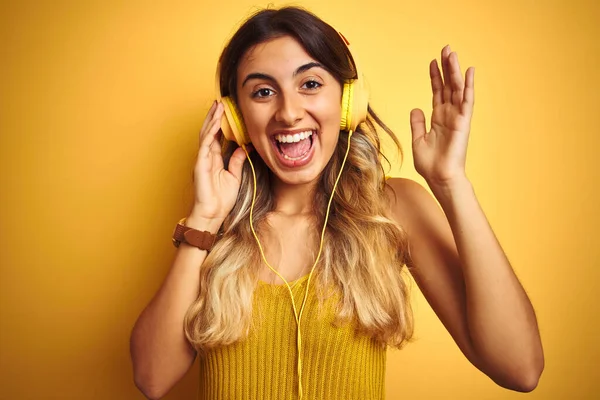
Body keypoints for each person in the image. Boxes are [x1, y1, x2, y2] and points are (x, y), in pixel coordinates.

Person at [130, 6, 544, 400]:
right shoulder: (214, 226)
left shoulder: (393, 209)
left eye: (310, 84)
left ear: (348, 102)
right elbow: (152, 378)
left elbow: (519, 368)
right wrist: (204, 217)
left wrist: (450, 182)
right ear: (237, 120)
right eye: (262, 92)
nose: (289, 113)